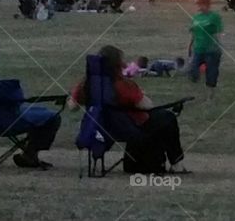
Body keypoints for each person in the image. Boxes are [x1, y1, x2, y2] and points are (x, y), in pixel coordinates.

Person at [69, 45, 187, 174]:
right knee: (167, 118)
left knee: (162, 118)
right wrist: (141, 93)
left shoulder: (87, 84)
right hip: (127, 127)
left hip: (100, 127)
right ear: (117, 63)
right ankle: (176, 164)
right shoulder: (122, 84)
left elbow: (72, 107)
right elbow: (147, 106)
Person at [188, 0, 223, 100]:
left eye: (202, 4)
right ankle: (196, 89)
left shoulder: (214, 17)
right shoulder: (196, 17)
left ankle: (210, 94)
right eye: (199, 4)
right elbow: (193, 32)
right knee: (193, 69)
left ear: (208, 5)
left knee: (211, 72)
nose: (200, 7)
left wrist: (219, 46)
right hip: (198, 48)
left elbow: (219, 32)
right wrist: (190, 46)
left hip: (211, 49)